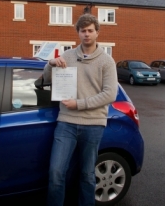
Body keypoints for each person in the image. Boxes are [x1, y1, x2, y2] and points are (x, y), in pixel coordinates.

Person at [43, 13, 118, 206]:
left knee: (87, 174)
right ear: (78, 32)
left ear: (97, 33)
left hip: (93, 124)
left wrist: (79, 104)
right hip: (66, 123)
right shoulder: (67, 56)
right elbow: (47, 80)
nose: (86, 34)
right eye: (83, 31)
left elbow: (110, 94)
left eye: (90, 31)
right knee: (56, 172)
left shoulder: (107, 61)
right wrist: (50, 64)